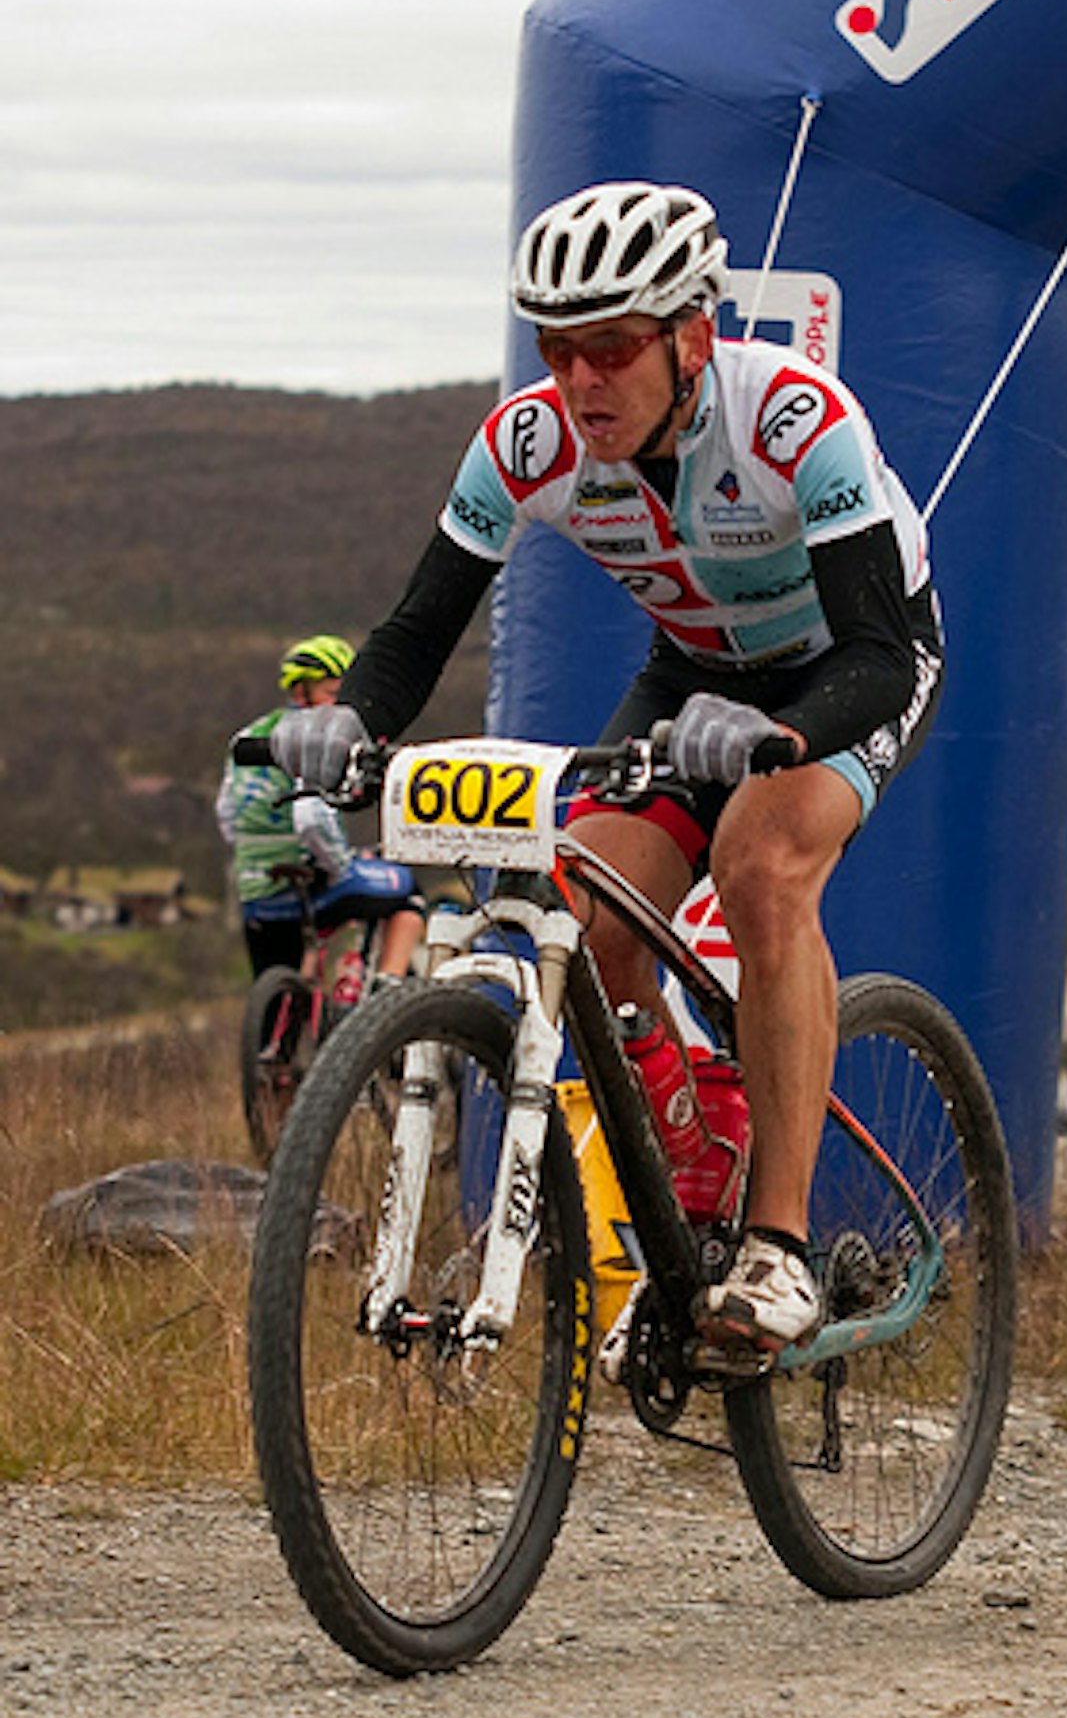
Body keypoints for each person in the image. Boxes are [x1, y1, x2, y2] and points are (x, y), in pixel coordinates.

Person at [269, 182, 944, 1362]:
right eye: (558, 349)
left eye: (614, 349)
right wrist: (353, 721)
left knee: (760, 861)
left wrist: (777, 737)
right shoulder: (523, 445)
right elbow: (417, 628)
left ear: (691, 337)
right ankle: (692, 1128)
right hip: (690, 675)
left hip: (853, 665)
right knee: (584, 909)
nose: (582, 382)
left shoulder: (793, 420)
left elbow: (883, 653)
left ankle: (777, 1248)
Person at [216, 635, 425, 986]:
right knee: (407, 894)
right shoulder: (314, 741)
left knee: (274, 997)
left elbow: (226, 814)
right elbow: (312, 820)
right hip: (304, 885)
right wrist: (339, 865)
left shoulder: (249, 734)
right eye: (331, 694)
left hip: (255, 889)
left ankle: (285, 1022)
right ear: (302, 694)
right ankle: (386, 986)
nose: (339, 705)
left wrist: (259, 855)